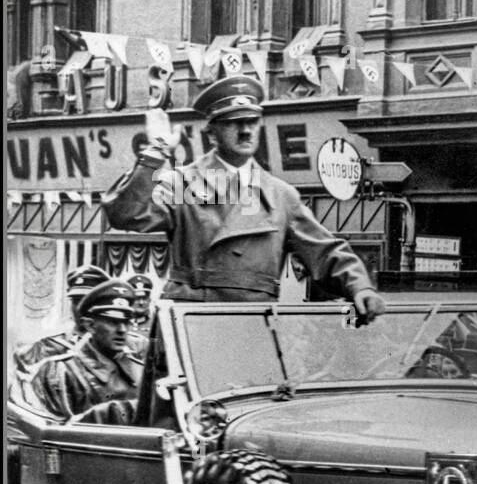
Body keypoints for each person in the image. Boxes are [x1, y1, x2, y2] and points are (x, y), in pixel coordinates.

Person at [104, 76, 385, 321]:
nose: (246, 130)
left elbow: (325, 253)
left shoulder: (280, 195)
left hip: (252, 328)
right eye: (234, 123)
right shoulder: (183, 182)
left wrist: (360, 286)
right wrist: (156, 152)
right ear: (212, 134)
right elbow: (126, 214)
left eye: (252, 121)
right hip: (192, 327)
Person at [30, 280, 144, 422]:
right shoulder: (62, 371)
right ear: (90, 325)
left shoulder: (139, 370)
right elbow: (52, 431)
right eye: (113, 322)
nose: (122, 330)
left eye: (126, 322)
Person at [13, 264, 111, 373]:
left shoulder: (117, 344)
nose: (80, 308)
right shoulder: (49, 345)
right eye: (76, 301)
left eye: (87, 301)